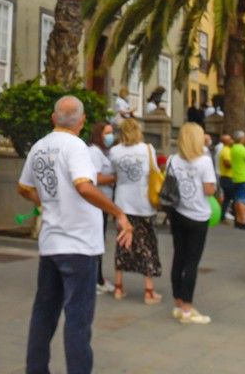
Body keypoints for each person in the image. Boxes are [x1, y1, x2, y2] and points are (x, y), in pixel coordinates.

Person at [18, 96, 133, 374]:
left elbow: (23, 187)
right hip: (79, 246)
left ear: (52, 118)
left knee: (43, 315)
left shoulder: (39, 147)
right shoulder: (76, 147)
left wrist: (46, 201)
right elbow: (83, 185)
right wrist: (118, 213)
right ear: (81, 122)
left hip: (51, 244)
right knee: (78, 321)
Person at [164, 123, 217, 325]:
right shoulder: (203, 161)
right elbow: (209, 189)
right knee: (192, 262)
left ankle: (178, 302)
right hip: (198, 214)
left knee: (179, 256)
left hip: (178, 211)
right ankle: (187, 307)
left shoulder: (173, 159)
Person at [107, 118, 163, 303]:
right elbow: (154, 170)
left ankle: (118, 287)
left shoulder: (114, 151)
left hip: (122, 203)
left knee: (122, 244)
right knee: (147, 244)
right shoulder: (147, 149)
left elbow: (113, 173)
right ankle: (149, 290)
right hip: (143, 203)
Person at [87, 122, 118, 295]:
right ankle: (95, 279)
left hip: (103, 201)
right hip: (97, 202)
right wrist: (115, 177)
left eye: (111, 132)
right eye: (107, 133)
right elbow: (96, 178)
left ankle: (98, 277)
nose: (110, 136)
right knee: (96, 241)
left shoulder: (103, 152)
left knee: (100, 240)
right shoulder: (94, 153)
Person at [217, 133, 235, 223]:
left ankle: (223, 216)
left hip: (226, 177)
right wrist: (236, 164)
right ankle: (236, 216)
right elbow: (227, 163)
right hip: (227, 177)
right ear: (227, 141)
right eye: (230, 139)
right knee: (232, 197)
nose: (232, 140)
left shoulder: (227, 150)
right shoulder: (226, 151)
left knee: (228, 198)